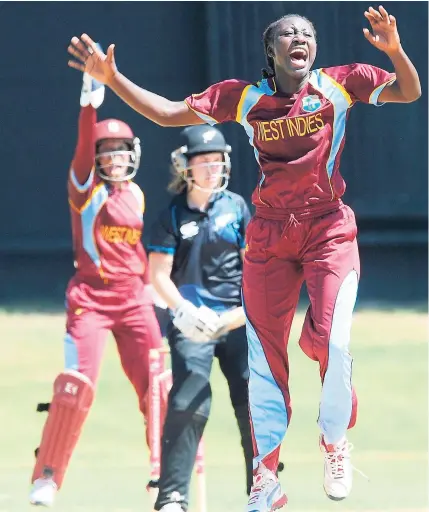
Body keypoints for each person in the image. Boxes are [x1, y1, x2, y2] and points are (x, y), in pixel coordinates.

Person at [67, 6, 421, 511]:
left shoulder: (343, 84)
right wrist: (113, 77)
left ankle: (335, 439)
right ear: (271, 51)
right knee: (264, 359)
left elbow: (409, 91)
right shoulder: (243, 98)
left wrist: (393, 51)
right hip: (270, 238)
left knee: (336, 342)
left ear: (314, 50)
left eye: (307, 34)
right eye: (288, 34)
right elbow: (168, 113)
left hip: (328, 229)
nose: (299, 38)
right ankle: (267, 478)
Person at [29, 67, 163, 507]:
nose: (114, 159)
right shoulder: (85, 189)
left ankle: (167, 476)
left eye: (121, 151)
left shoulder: (138, 194)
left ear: (133, 153)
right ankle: (47, 476)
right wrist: (91, 100)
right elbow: (84, 151)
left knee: (158, 387)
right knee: (76, 385)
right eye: (106, 152)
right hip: (90, 299)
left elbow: (136, 251)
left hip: (133, 300)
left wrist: (151, 287)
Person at [147, 124, 253, 512]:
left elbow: (255, 271)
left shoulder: (237, 208)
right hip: (191, 321)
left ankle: (262, 489)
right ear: (185, 167)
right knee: (191, 399)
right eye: (203, 162)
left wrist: (240, 316)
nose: (211, 169)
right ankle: (172, 496)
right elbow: (157, 274)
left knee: (253, 400)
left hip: (235, 319)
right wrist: (182, 311)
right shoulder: (171, 216)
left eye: (217, 161)